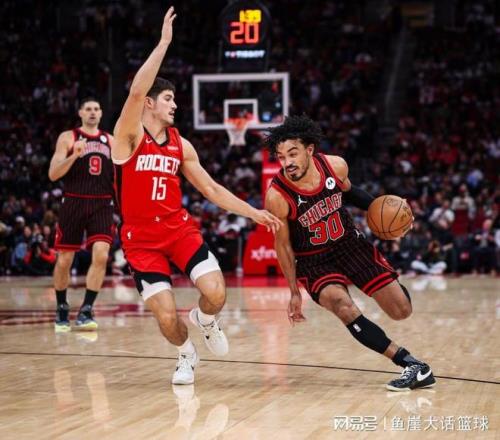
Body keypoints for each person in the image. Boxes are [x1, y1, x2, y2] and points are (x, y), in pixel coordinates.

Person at [112, 6, 281, 385]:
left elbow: (211, 189)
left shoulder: (181, 144)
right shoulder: (128, 137)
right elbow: (136, 90)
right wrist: (163, 43)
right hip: (141, 241)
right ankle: (186, 354)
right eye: (168, 98)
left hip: (178, 230)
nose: (175, 104)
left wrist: (252, 212)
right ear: (150, 103)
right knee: (166, 317)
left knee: (217, 294)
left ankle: (205, 320)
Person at [264, 115, 435, 391]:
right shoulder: (277, 195)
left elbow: (351, 193)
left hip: (350, 245)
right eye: (281, 157)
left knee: (401, 310)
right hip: (313, 261)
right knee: (343, 305)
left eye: (292, 154)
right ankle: (411, 364)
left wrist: (392, 214)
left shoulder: (335, 166)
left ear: (309, 149)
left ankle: (389, 283)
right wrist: (294, 292)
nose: (287, 162)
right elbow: (282, 246)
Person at [48, 98, 114, 332]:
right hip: (74, 201)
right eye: (88, 109)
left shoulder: (111, 141)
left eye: (96, 109)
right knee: (65, 259)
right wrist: (74, 155)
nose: (93, 112)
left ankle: (86, 309)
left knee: (101, 255)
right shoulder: (68, 137)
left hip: (102, 203)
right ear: (80, 113)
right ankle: (62, 306)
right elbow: (53, 174)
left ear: (101, 113)